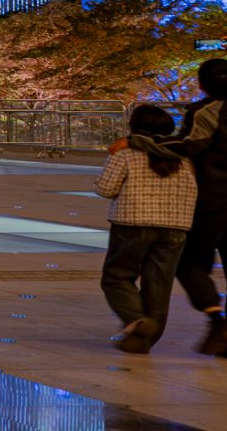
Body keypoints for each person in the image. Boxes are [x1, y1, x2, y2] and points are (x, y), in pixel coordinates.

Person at [128, 46, 227, 363]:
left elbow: (185, 145)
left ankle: (217, 320)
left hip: (216, 202)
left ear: (202, 86)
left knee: (190, 265)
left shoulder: (205, 112)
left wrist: (137, 140)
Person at [95, 104, 196, 354]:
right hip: (175, 225)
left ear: (134, 127)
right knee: (159, 285)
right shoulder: (183, 157)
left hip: (132, 223)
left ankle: (137, 320)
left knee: (117, 276)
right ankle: (141, 340)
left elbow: (106, 188)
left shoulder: (124, 152)